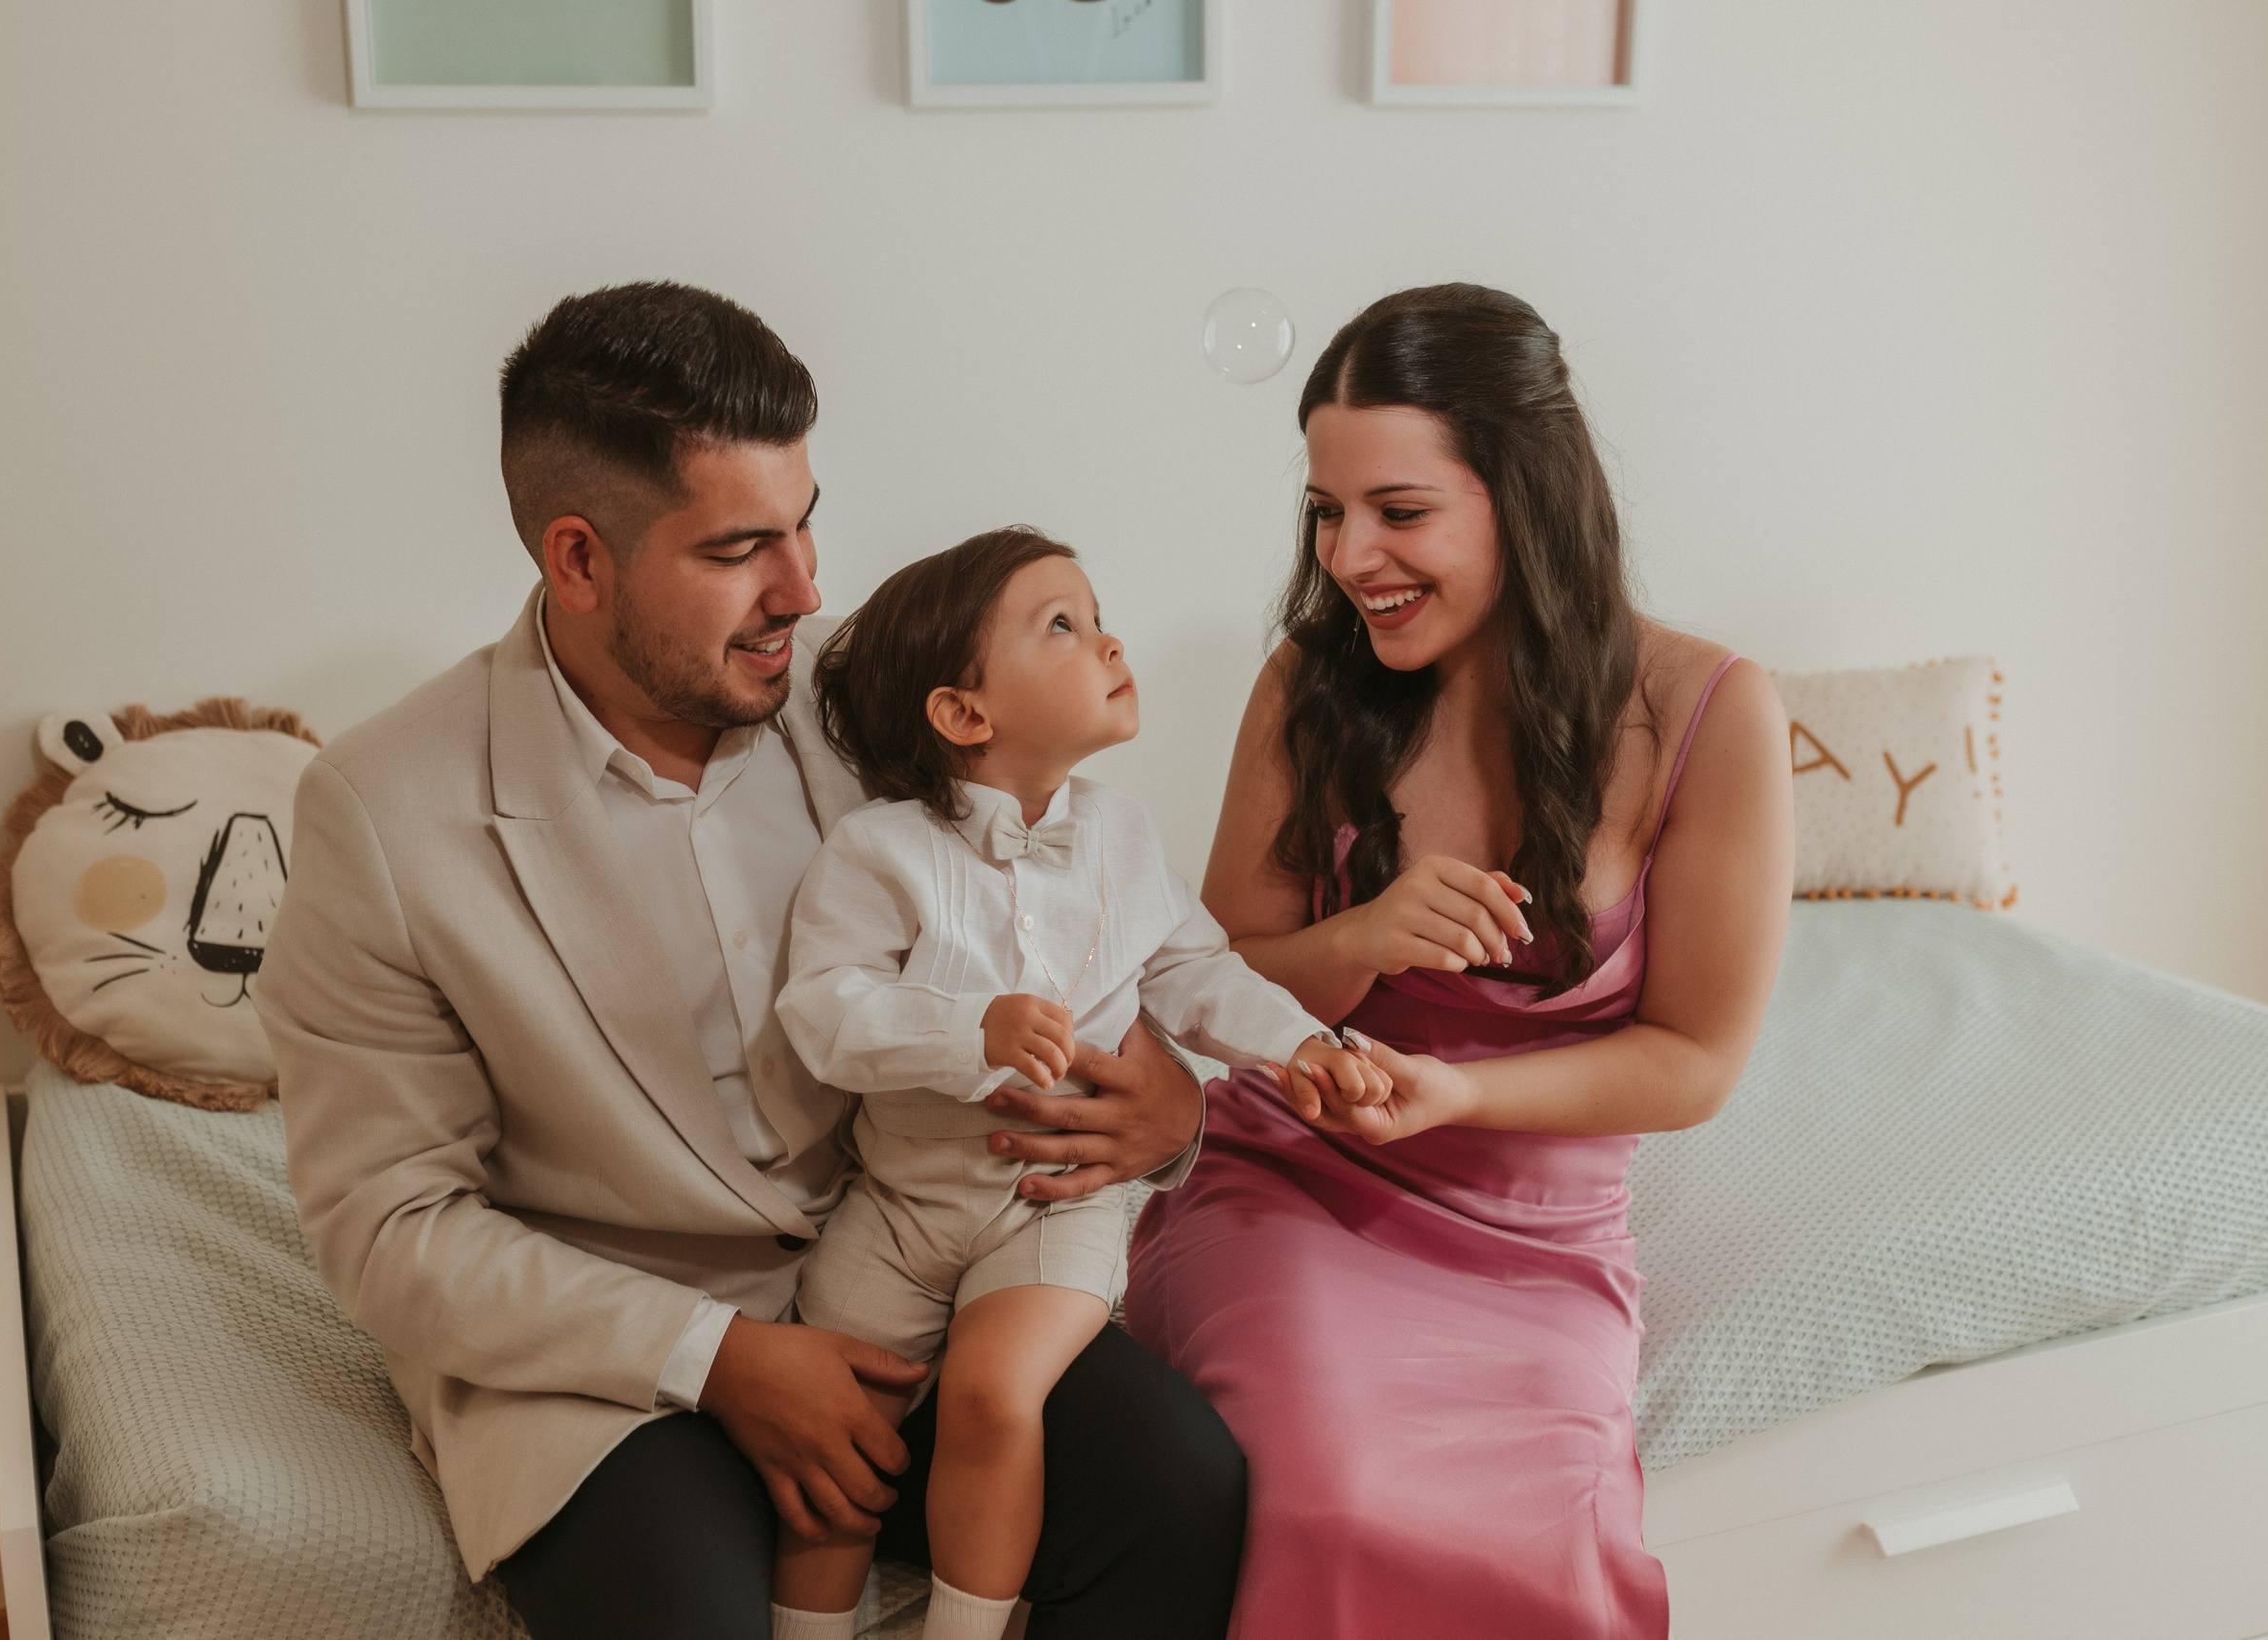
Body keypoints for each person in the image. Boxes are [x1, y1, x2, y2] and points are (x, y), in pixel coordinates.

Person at [253, 281, 1247, 1640]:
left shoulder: (876, 700)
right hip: (614, 1356)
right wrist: (718, 1357)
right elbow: (388, 1229)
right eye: (739, 550)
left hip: (925, 1257)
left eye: (806, 522)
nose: (806, 589)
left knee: (1181, 1489)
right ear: (580, 559)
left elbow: (1088, 921)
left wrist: (1172, 1109)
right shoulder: (381, 809)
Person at [1123, 283, 1795, 1638]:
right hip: (1297, 1190)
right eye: (1327, 510)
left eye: (1400, 511)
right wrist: (1360, 939)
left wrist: (1463, 1093)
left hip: (1536, 1238)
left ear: (1523, 495)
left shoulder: (1709, 713)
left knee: (1542, 1549)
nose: (1350, 554)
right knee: (1338, 1493)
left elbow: (1695, 1059)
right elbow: (1207, 979)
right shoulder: (1309, 685)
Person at [769, 529, 1378, 1640]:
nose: (1108, 640)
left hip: (1054, 1201)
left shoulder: (1123, 837)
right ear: (963, 713)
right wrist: (971, 1029)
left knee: (996, 1393)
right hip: (901, 1206)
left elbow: (1196, 972)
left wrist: (1301, 1044)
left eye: (1095, 614)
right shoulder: (879, 852)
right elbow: (823, 1011)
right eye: (1062, 623)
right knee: (839, 1449)